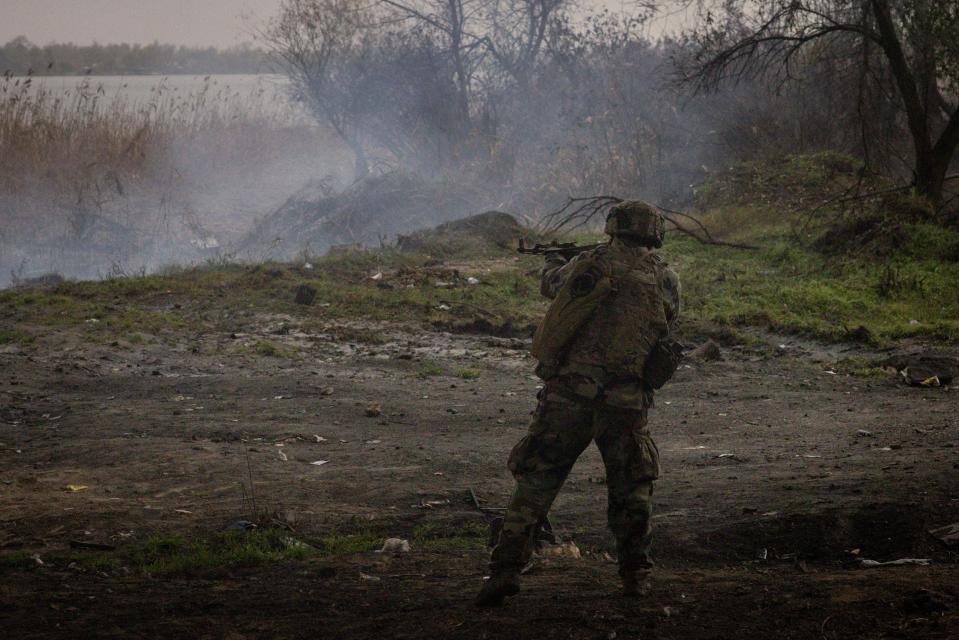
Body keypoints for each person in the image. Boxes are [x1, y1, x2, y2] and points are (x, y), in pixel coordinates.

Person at [476, 200, 681, 607]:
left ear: (614, 227)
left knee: (536, 482)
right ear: (653, 232)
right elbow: (666, 320)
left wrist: (556, 262)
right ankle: (636, 578)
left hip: (569, 395)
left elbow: (553, 286)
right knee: (632, 491)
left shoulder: (588, 263)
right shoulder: (665, 277)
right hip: (625, 400)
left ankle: (504, 571)